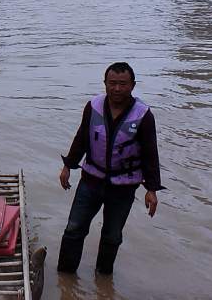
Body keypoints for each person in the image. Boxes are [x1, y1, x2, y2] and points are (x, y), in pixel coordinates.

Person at [57, 62, 164, 275]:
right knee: (73, 229)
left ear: (132, 85)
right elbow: (81, 139)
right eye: (112, 83)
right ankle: (65, 277)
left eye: (122, 84)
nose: (117, 88)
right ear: (105, 84)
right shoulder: (93, 106)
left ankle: (103, 278)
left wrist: (151, 189)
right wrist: (68, 166)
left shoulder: (143, 115)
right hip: (91, 181)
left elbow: (150, 154)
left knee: (112, 236)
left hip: (123, 187)